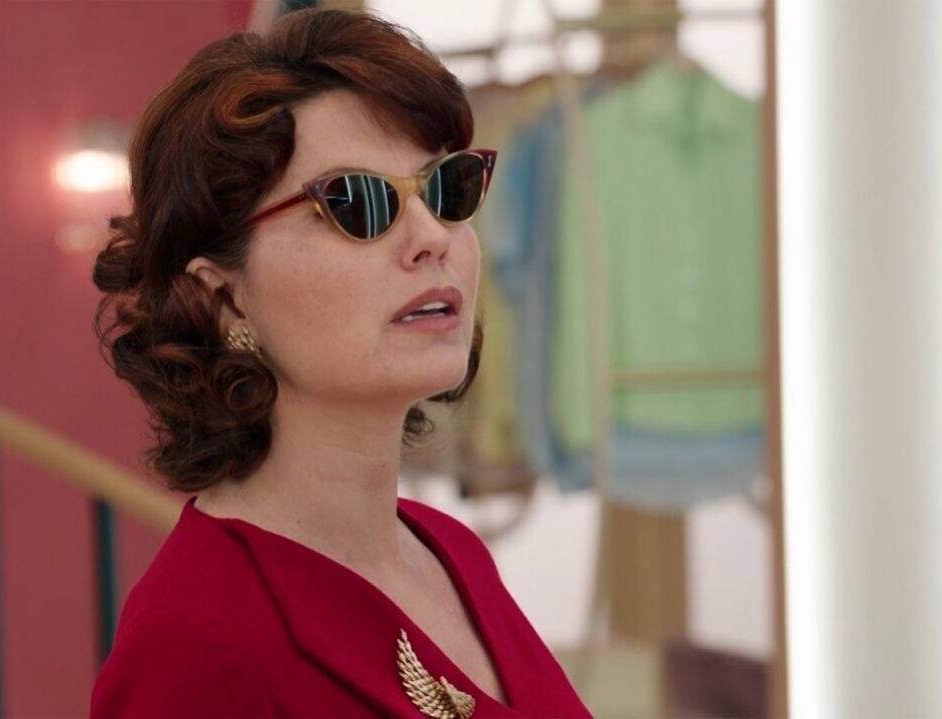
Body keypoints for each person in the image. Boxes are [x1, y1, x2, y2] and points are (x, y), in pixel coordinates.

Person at [88, 8, 591, 718]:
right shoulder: (195, 641)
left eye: (445, 189)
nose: (432, 236)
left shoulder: (449, 551)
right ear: (223, 297)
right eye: (357, 203)